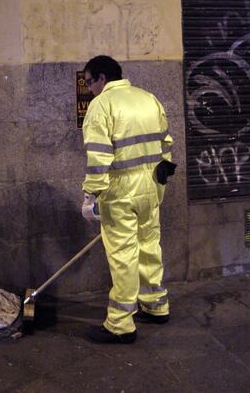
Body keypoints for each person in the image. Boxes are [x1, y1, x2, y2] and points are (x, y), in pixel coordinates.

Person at [81, 55, 175, 344]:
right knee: (149, 245)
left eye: (89, 82)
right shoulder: (149, 99)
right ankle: (156, 304)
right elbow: (165, 145)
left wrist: (90, 195)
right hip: (151, 186)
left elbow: (99, 158)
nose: (88, 89)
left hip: (119, 191)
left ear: (101, 78)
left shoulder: (101, 106)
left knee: (123, 255)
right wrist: (159, 184)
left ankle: (120, 324)